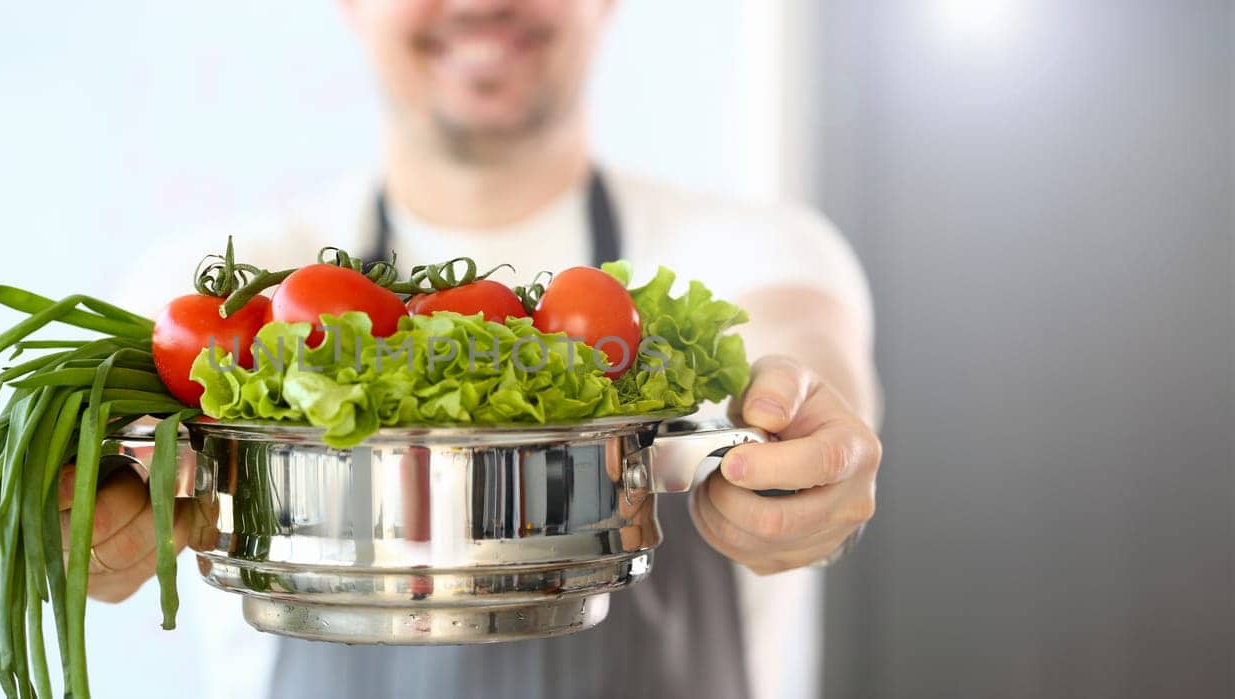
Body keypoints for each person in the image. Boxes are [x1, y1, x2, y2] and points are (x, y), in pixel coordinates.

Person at [60, 1, 881, 697]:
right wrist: (96, 528)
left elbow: (802, 340)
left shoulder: (756, 249)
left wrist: (807, 446)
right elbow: (114, 479)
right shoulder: (211, 298)